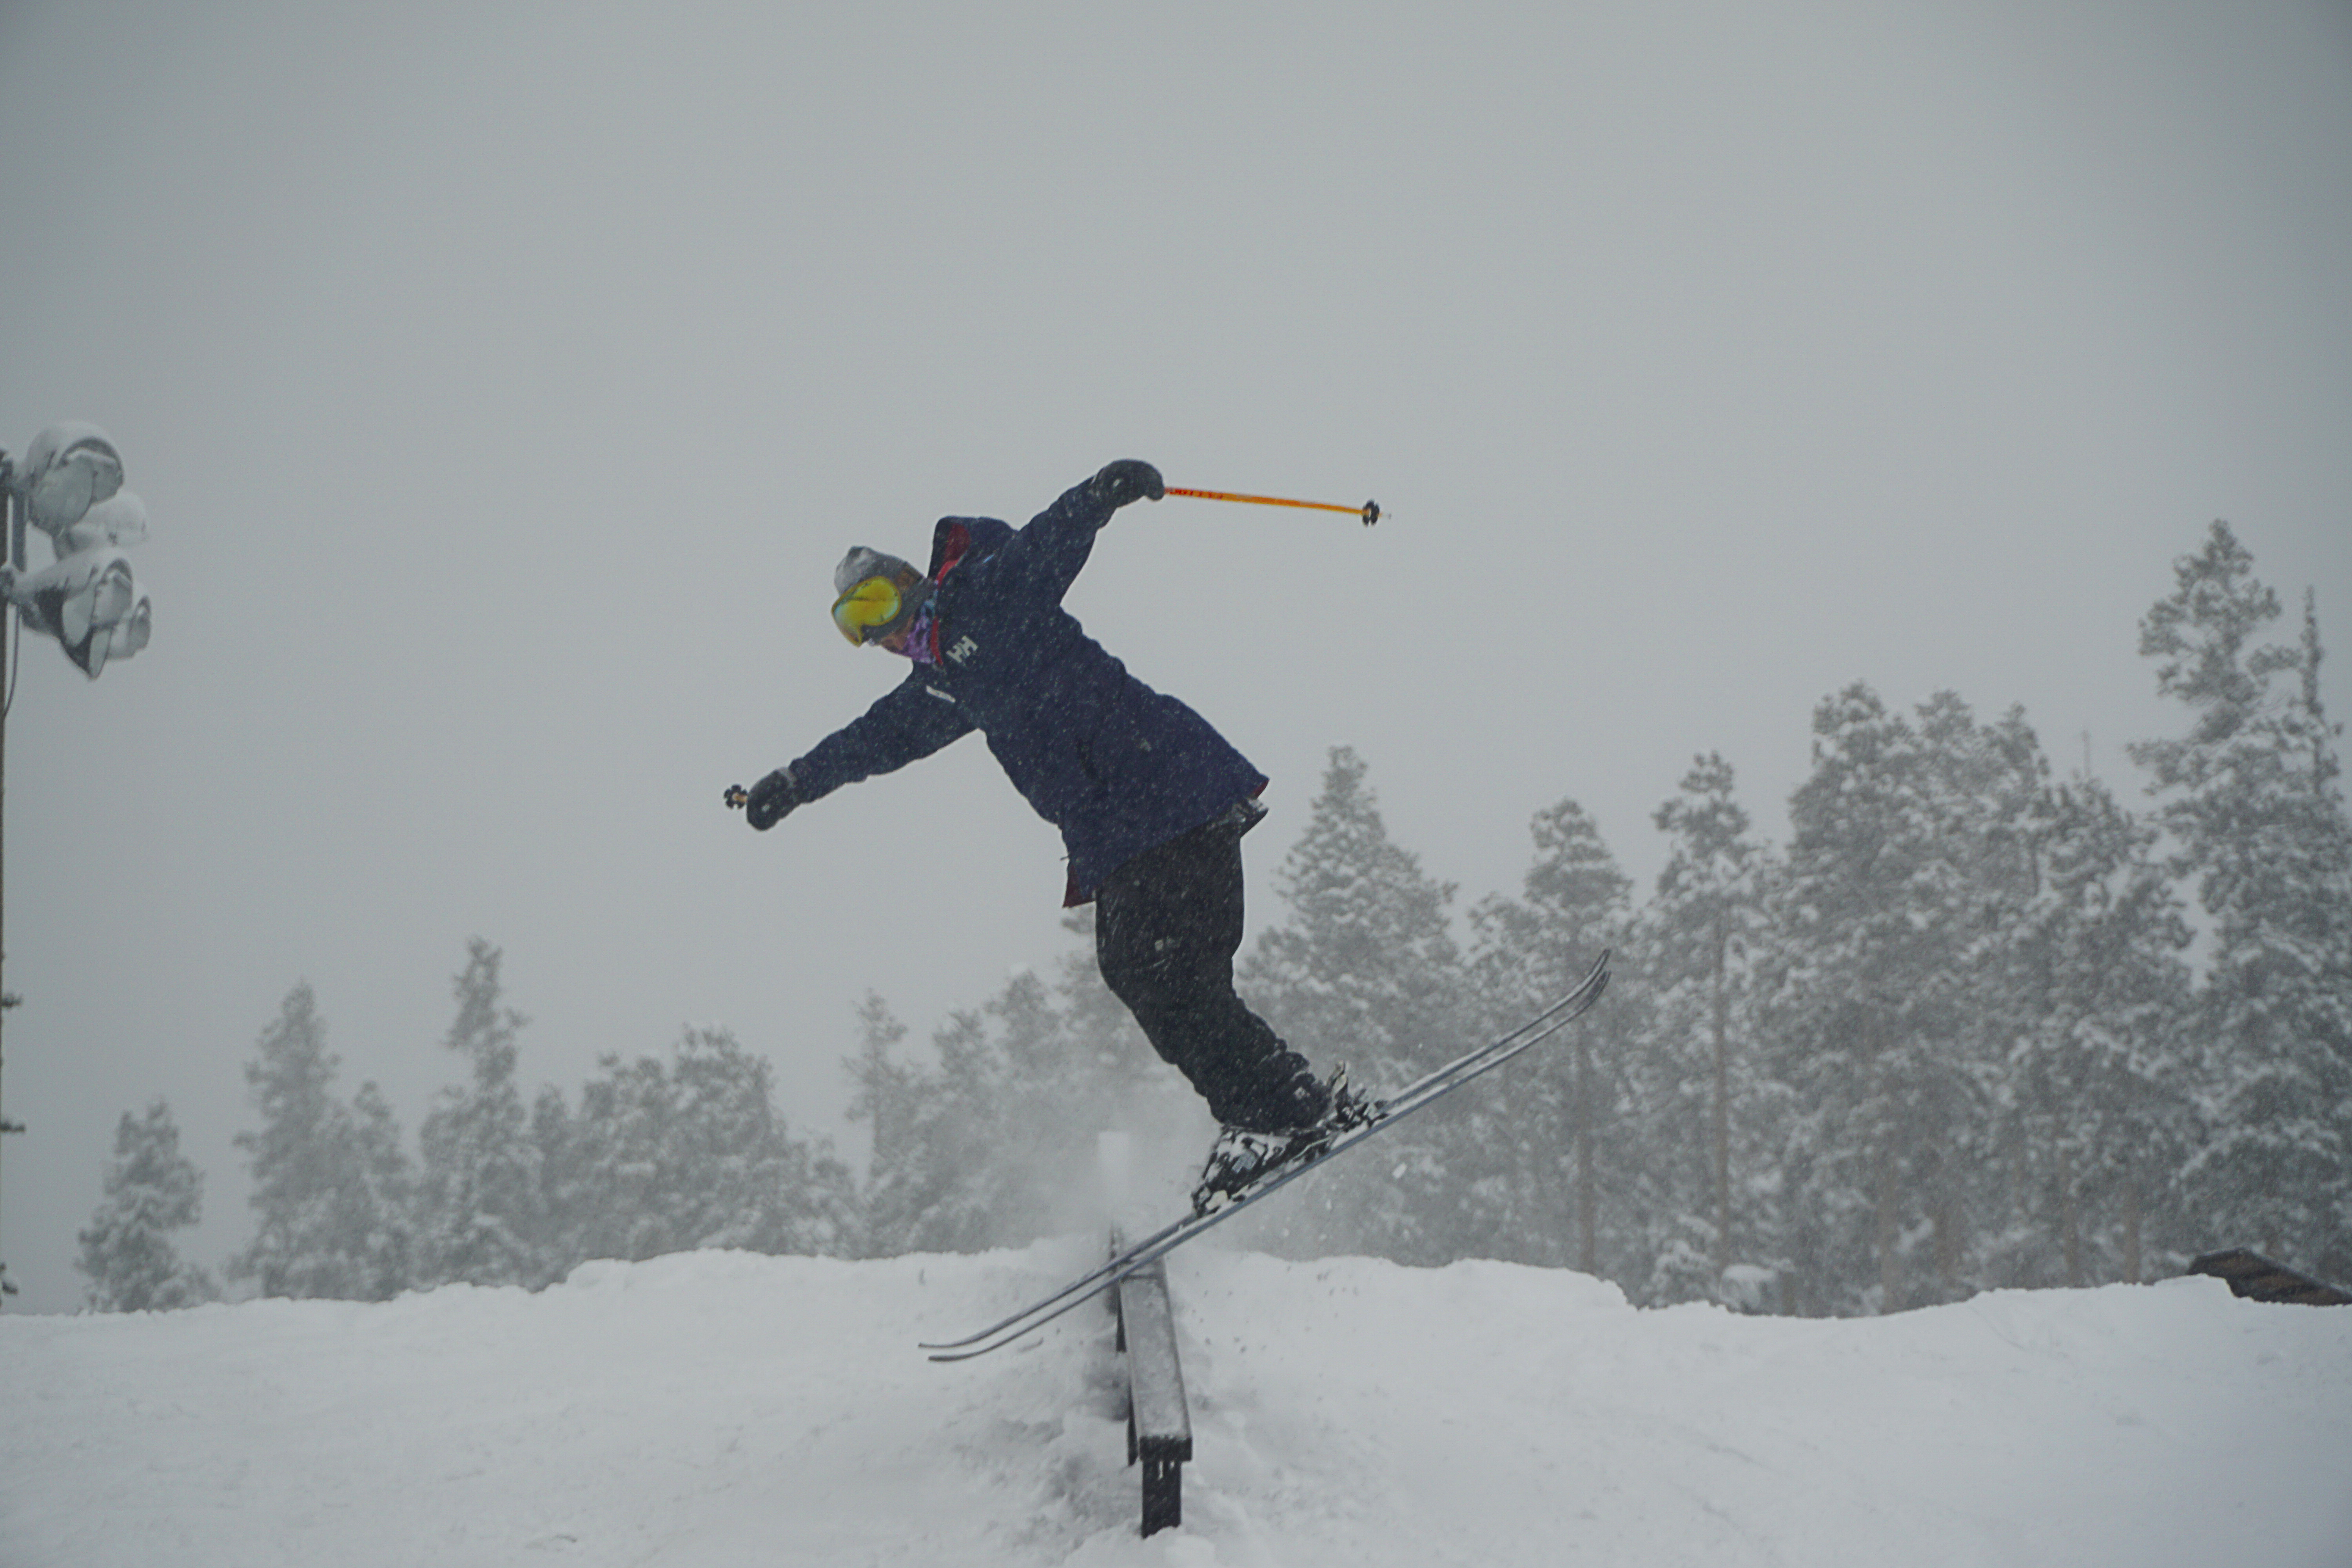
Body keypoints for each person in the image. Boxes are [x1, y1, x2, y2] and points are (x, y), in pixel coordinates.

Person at [731, 459, 1367, 1212]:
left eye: (875, 603)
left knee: (1144, 968)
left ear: (911, 584)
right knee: (1167, 980)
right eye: (853, 624)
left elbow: (1046, 543)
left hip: (1159, 793)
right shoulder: (944, 684)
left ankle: (1272, 1115)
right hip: (1152, 817)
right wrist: (798, 780)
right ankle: (1287, 1104)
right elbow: (873, 740)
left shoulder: (989, 598)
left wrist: (1100, 494)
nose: (876, 630)